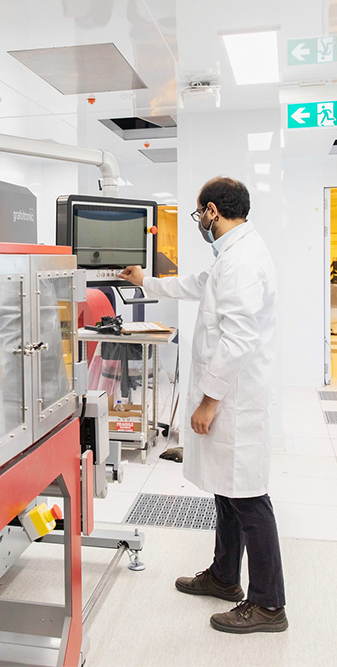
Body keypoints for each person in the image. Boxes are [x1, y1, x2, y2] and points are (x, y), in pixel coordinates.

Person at [119, 176, 285, 634]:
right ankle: (225, 577)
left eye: (199, 213)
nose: (199, 221)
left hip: (235, 399)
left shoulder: (242, 261)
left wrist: (209, 402)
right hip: (232, 395)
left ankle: (270, 606)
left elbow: (238, 338)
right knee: (226, 494)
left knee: (249, 498)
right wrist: (146, 281)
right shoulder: (231, 255)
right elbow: (197, 285)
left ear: (212, 211)